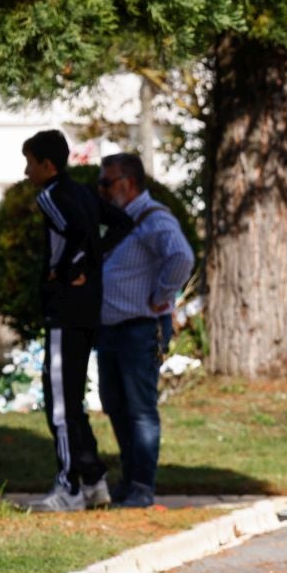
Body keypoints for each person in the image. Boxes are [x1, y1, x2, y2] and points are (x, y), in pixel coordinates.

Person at [22, 129, 127, 513]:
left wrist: (67, 269)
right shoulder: (83, 191)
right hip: (87, 307)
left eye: (30, 162)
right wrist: (90, 263)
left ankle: (68, 486)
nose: (26, 171)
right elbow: (121, 224)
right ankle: (95, 480)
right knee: (72, 399)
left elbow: (73, 232)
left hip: (64, 310)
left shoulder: (49, 196)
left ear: (47, 165)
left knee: (60, 405)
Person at [94, 153, 195, 508]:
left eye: (106, 183)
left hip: (139, 328)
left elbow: (181, 257)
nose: (101, 190)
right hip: (111, 329)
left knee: (139, 408)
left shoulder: (153, 219)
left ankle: (142, 486)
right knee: (115, 403)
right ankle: (130, 478)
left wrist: (162, 296)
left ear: (128, 183)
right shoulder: (122, 219)